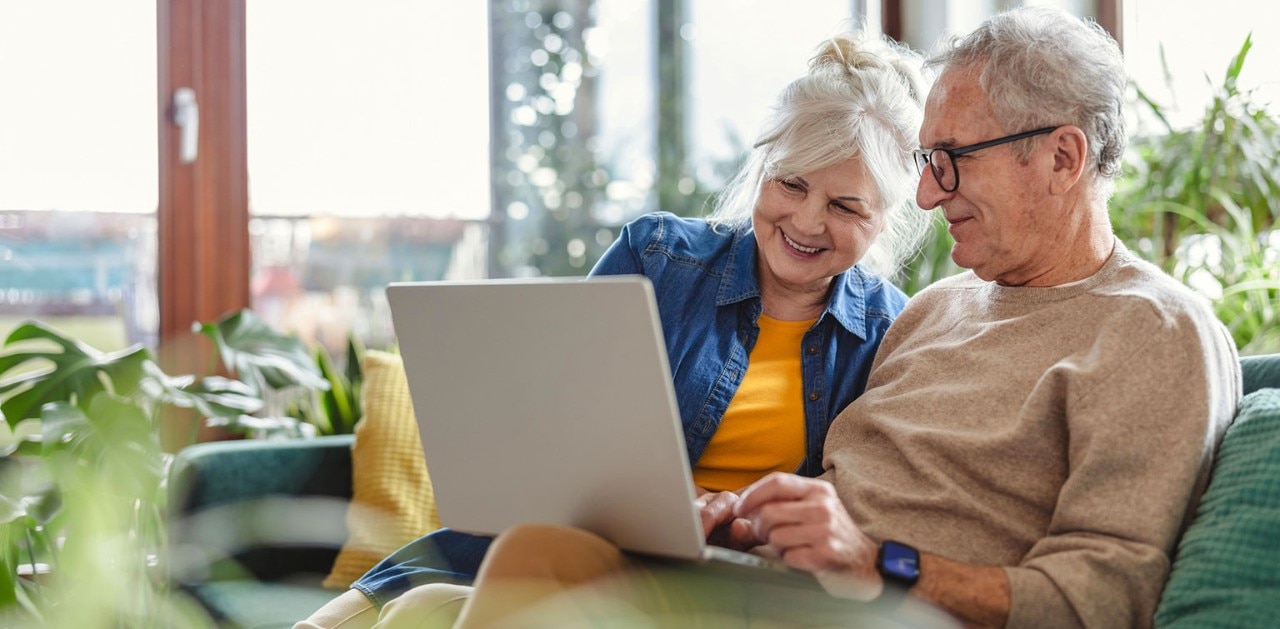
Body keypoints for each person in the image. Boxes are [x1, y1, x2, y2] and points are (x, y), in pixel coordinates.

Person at [376, 6, 1243, 628]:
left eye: (949, 162)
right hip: (766, 580)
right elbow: (842, 483)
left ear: (1062, 156)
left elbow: (1102, 597)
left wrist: (877, 562)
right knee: (529, 559)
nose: (931, 196)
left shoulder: (1155, 332)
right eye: (926, 163)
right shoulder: (936, 312)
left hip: (879, 606)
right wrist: (755, 514)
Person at [295, 29, 932, 629]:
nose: (807, 220)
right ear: (763, 169)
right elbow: (552, 437)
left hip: (727, 583)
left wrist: (742, 516)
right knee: (399, 610)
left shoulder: (891, 332)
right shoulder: (657, 258)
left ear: (886, 219)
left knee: (429, 610)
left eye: (846, 206)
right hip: (567, 544)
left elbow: (861, 506)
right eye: (791, 183)